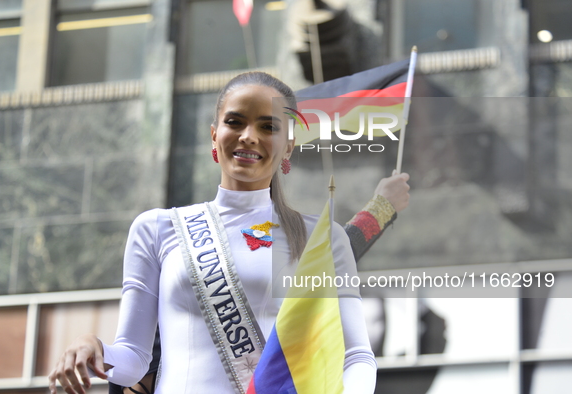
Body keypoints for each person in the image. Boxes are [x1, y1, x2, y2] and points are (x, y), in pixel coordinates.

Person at [49, 72, 408, 394]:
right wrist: (92, 347)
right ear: (214, 134)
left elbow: (356, 355)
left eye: (268, 127)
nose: (249, 137)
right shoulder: (156, 228)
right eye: (235, 122)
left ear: (289, 146)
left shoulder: (323, 237)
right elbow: (133, 362)